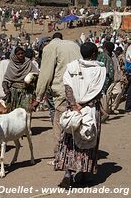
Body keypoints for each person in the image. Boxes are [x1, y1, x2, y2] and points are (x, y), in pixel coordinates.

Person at [55, 42, 106, 189]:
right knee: (88, 139)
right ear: (94, 55)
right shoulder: (99, 69)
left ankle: (67, 175)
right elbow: (97, 91)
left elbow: (68, 88)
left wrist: (74, 105)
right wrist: (83, 105)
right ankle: (84, 174)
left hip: (73, 110)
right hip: (90, 110)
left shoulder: (72, 67)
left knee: (70, 140)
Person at [32, 32, 82, 164]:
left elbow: (45, 75)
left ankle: (60, 157)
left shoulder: (50, 48)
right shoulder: (74, 45)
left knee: (59, 126)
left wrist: (38, 98)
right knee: (76, 124)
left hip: (62, 91)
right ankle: (77, 155)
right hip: (79, 90)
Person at [2, 47, 39, 112]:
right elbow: (6, 80)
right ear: (14, 55)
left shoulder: (28, 62)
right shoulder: (11, 65)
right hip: (14, 93)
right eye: (18, 54)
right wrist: (6, 89)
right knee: (13, 113)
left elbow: (36, 74)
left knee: (25, 112)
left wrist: (31, 79)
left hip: (27, 92)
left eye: (22, 53)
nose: (21, 55)